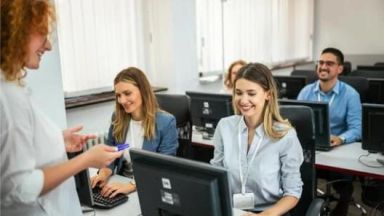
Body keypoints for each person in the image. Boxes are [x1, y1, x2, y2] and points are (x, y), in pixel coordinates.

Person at [0, 0, 122, 215]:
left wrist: (58, 140)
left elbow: (20, 149)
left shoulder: (11, 88)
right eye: (42, 35)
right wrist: (85, 160)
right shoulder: (7, 95)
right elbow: (19, 188)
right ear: (16, 30)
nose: (48, 46)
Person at [211, 63, 303, 215]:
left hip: (268, 212)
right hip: (233, 210)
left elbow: (292, 192)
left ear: (268, 94)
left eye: (251, 93)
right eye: (238, 93)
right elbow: (215, 175)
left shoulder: (286, 135)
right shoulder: (224, 126)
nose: (243, 100)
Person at [90, 67, 179, 198]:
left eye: (127, 93)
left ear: (143, 91)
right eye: (118, 95)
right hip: (120, 185)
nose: (122, 100)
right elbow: (111, 155)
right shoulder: (118, 119)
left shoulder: (166, 122)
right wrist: (103, 174)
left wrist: (130, 186)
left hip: (150, 188)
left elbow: (162, 168)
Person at [297, 47, 361, 216]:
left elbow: (357, 128)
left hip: (338, 150)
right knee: (297, 177)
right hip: (310, 148)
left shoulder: (350, 95)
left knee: (343, 184)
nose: (323, 66)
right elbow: (294, 122)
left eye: (330, 63)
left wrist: (340, 139)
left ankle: (342, 206)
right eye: (321, 62)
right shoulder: (306, 91)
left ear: (339, 68)